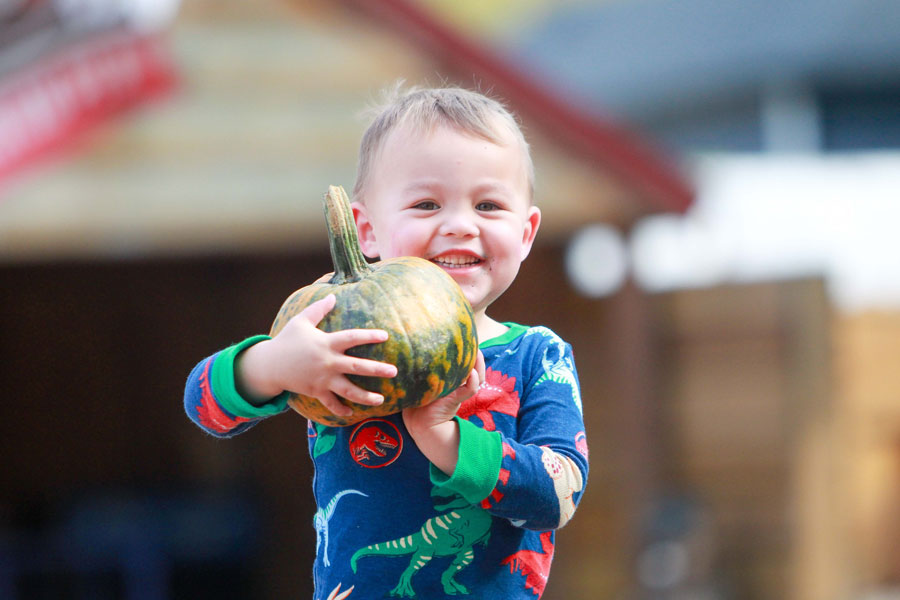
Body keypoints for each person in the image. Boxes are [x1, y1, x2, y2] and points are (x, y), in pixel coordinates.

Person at [184, 85, 588, 600]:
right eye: (426, 204)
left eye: (488, 205)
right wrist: (273, 366)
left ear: (527, 232)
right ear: (366, 231)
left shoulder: (538, 355)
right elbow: (204, 406)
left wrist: (444, 438)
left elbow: (558, 493)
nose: (460, 225)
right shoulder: (335, 339)